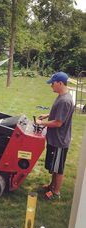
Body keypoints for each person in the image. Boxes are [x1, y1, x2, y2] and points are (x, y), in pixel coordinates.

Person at [35, 71, 74, 200]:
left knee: (59, 168)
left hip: (59, 140)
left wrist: (42, 123)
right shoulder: (62, 96)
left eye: (53, 83)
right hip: (55, 139)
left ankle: (56, 192)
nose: (51, 85)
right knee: (54, 166)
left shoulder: (65, 100)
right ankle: (52, 185)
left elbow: (58, 123)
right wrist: (47, 115)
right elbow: (58, 114)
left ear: (60, 83)